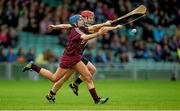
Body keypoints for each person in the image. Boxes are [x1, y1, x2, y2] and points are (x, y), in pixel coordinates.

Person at [22, 14, 122, 104]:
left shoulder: (82, 28)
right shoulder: (76, 31)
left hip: (76, 58)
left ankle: (96, 100)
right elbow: (85, 38)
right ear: (75, 23)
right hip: (68, 58)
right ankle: (33, 66)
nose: (83, 20)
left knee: (88, 77)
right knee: (54, 78)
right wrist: (98, 34)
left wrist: (110, 26)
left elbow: (94, 27)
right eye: (80, 20)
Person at [46, 10, 112, 103]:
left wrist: (109, 25)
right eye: (90, 17)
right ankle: (51, 94)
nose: (93, 19)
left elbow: (95, 27)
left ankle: (75, 85)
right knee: (63, 78)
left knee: (92, 70)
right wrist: (103, 28)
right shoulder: (78, 27)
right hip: (73, 57)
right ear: (84, 18)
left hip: (78, 56)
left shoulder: (84, 27)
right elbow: (68, 26)